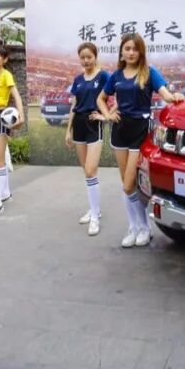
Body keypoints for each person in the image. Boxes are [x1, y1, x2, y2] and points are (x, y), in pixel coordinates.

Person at [96, 33, 184, 248]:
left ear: (141, 51)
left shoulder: (149, 72)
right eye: (127, 48)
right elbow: (101, 99)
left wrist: (175, 97)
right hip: (119, 131)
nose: (131, 52)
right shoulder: (116, 75)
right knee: (127, 186)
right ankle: (134, 227)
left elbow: (166, 95)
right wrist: (107, 115)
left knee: (130, 184)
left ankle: (144, 227)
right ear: (121, 52)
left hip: (139, 131)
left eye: (135, 49)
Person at [64, 42, 111, 237]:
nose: (85, 60)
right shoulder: (78, 79)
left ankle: (95, 216)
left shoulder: (104, 76)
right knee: (87, 171)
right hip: (79, 126)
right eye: (82, 57)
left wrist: (105, 116)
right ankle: (93, 209)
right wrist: (68, 130)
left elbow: (117, 97)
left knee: (91, 170)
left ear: (95, 56)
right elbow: (74, 105)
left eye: (89, 57)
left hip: (94, 124)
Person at [0, 45, 24, 218]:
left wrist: (21, 116)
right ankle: (5, 193)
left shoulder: (6, 75)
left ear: (5, 59)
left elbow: (16, 96)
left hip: (2, 117)